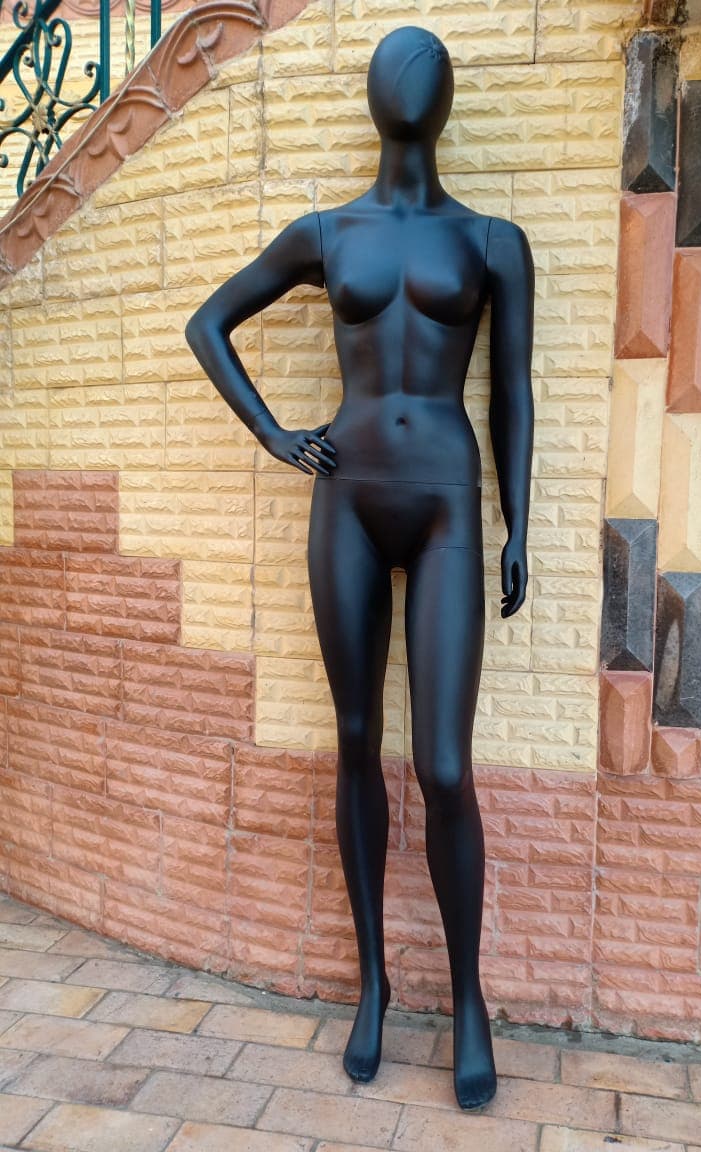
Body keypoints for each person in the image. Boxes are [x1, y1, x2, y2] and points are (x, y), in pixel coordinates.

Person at [186, 24, 534, 1110]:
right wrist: (275, 435)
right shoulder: (327, 233)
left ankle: (468, 1001)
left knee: (443, 764)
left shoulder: (492, 241)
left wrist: (518, 524)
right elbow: (210, 323)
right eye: (396, 74)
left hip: (444, 506)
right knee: (354, 742)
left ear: (442, 102)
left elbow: (513, 392)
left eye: (423, 77)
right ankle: (373, 985)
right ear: (379, 98)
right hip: (346, 500)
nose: (408, 89)